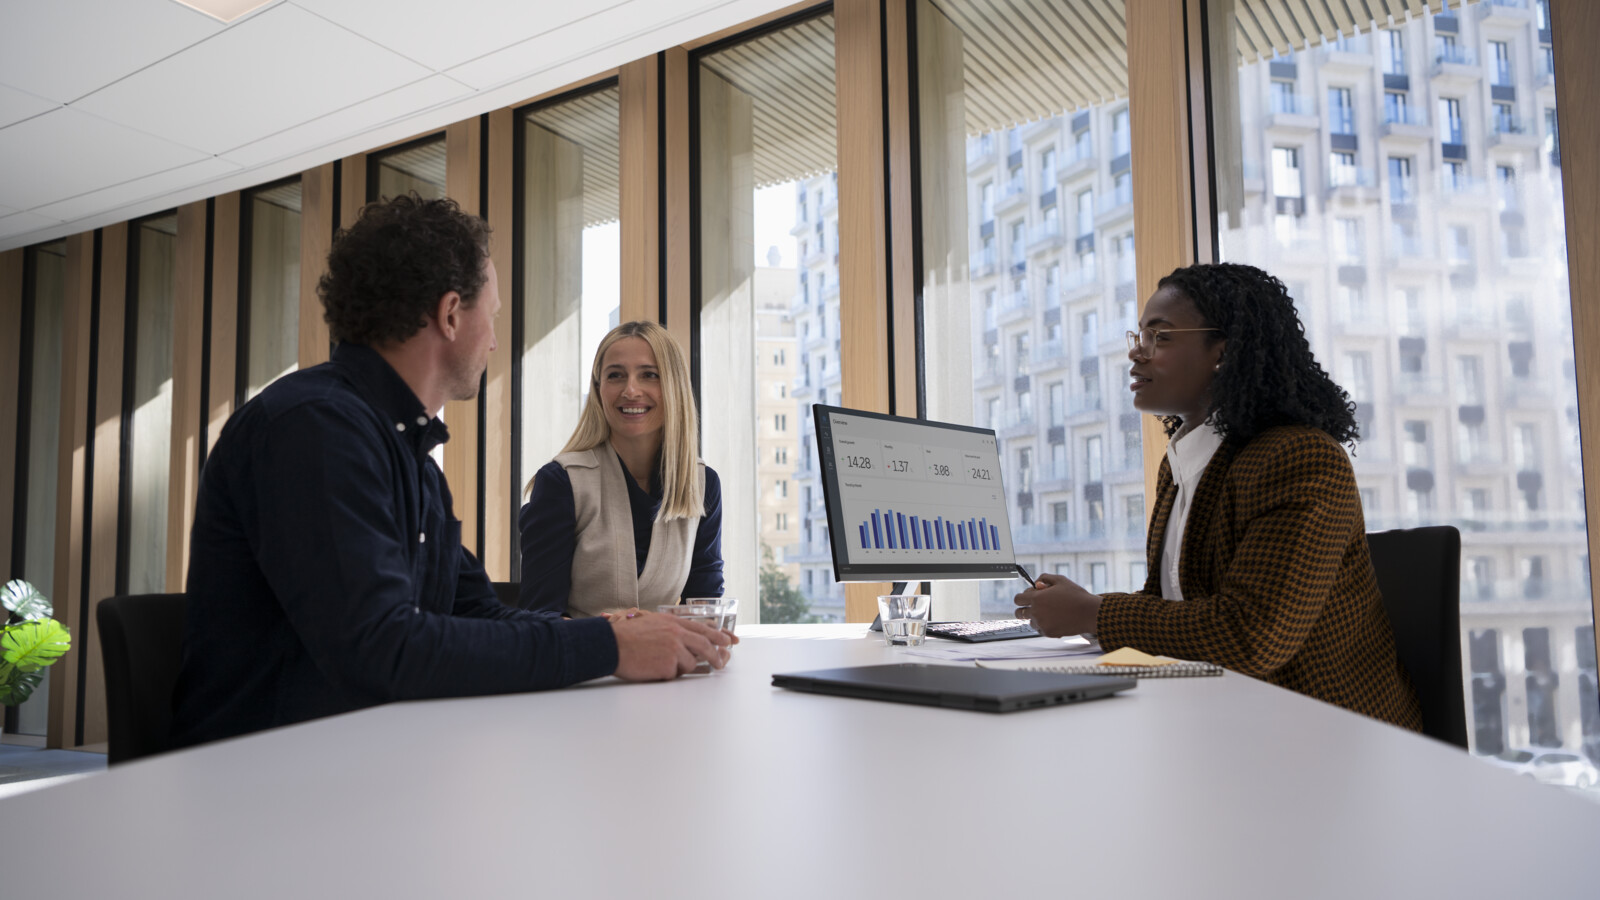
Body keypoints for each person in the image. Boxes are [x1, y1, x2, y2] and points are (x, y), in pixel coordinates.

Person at [170, 195, 733, 750]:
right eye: (491, 316)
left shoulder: (404, 453)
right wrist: (608, 647)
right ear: (449, 314)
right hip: (266, 779)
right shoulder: (313, 430)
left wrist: (610, 634)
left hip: (358, 756)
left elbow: (477, 610)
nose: (492, 339)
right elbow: (383, 648)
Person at [1013, 262, 1422, 730]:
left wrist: (1094, 612)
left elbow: (1249, 636)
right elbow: (1171, 609)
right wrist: (1087, 613)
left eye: (1160, 337)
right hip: (1224, 723)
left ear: (1222, 352)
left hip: (1325, 740)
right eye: (1139, 337)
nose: (1137, 355)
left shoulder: (1301, 458)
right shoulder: (1185, 462)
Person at [518, 321, 723, 616]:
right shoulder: (562, 483)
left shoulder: (703, 484)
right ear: (599, 389)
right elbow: (538, 623)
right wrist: (613, 637)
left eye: (649, 375)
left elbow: (705, 611)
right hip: (582, 661)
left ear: (673, 386)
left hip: (666, 662)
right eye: (615, 375)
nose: (631, 390)